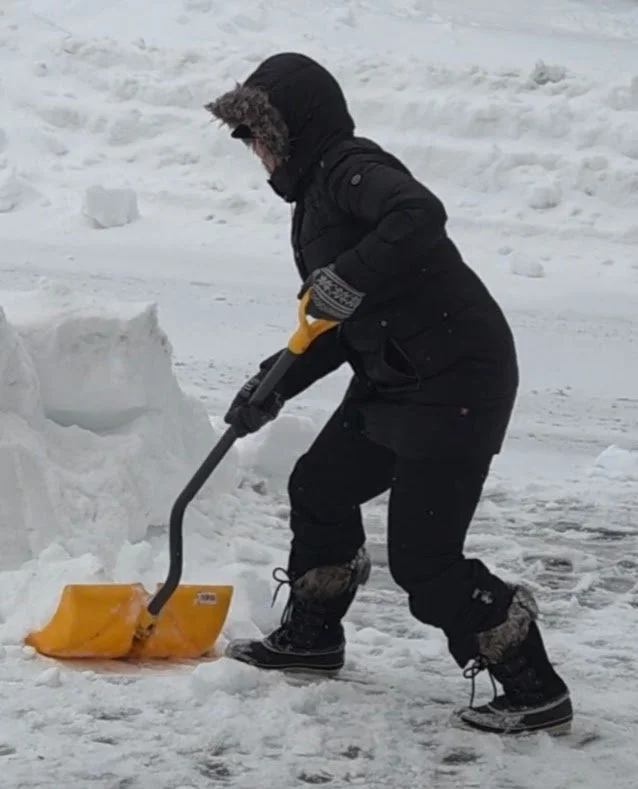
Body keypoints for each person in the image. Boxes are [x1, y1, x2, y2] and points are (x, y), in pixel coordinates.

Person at [205, 52, 572, 735]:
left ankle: (534, 682)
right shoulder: (316, 199)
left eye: (257, 135)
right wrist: (271, 387)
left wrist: (346, 276)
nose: (253, 152)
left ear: (291, 129)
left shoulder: (350, 170)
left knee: (424, 563)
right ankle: (313, 635)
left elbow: (418, 212)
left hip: (458, 378)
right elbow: (334, 321)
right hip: (397, 377)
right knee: (319, 487)